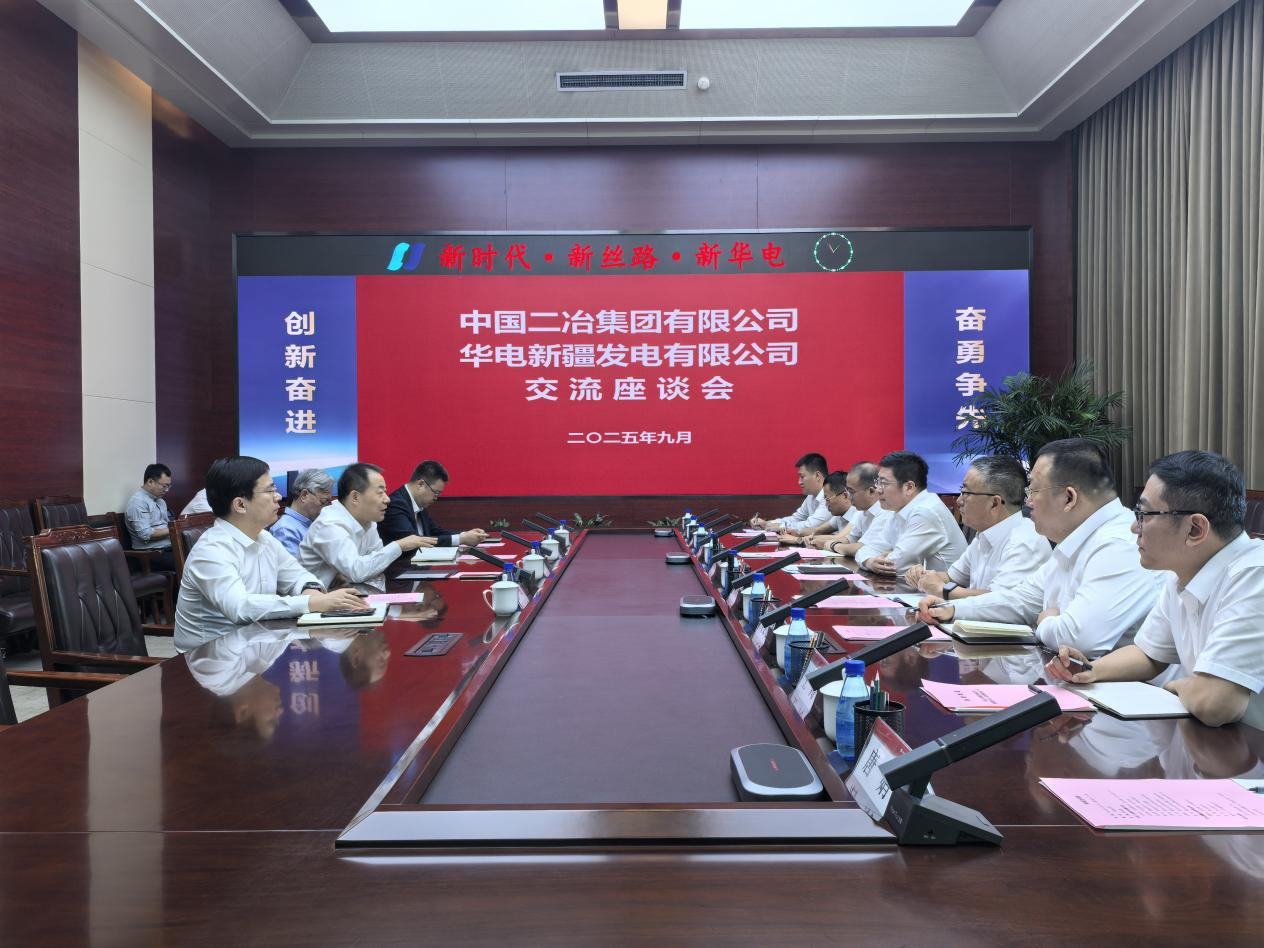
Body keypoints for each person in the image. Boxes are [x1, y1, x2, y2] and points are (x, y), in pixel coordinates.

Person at [1047, 450, 1264, 728]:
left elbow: (1215, 704)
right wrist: (1090, 670)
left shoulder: (1254, 575)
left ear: (1195, 529)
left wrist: (1176, 685)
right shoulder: (1183, 573)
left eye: (1144, 514)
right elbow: (1149, 654)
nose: (1133, 527)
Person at [924, 438, 1161, 655]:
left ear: (1069, 498)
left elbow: (1077, 639)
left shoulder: (1118, 545)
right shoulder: (1075, 540)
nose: (1027, 501)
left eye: (1034, 490)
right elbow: (1021, 600)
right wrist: (952, 609)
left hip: (1123, 687)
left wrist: (1044, 620)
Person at [174, 456, 363, 652]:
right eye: (270, 490)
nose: (278, 496)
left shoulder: (263, 537)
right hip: (210, 659)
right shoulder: (212, 550)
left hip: (257, 646)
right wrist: (313, 602)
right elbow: (240, 607)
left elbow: (297, 575)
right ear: (240, 505)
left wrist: (313, 593)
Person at [906, 455, 1050, 599]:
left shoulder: (1024, 542)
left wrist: (943, 591)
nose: (959, 501)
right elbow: (951, 577)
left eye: (966, 493)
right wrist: (923, 576)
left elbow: (1002, 601)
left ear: (994, 503)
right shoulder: (984, 534)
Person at [298, 463, 431, 591]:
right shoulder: (329, 525)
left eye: (385, 492)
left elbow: (376, 570)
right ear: (355, 497)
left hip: (345, 599)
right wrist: (399, 546)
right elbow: (358, 571)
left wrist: (365, 581)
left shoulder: (369, 522)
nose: (387, 499)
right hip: (313, 602)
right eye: (380, 492)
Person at [857, 451, 966, 576]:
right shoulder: (898, 509)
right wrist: (869, 561)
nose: (878, 490)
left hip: (945, 587)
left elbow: (895, 565)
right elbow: (867, 549)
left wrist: (884, 557)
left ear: (909, 487)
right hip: (915, 585)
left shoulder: (925, 512)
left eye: (884, 483)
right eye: (878, 482)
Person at [380, 460, 487, 548]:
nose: (436, 498)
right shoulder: (396, 504)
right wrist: (461, 539)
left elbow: (435, 532)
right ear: (421, 484)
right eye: (436, 493)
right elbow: (414, 542)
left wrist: (465, 535)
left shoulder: (419, 503)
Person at [812, 462, 891, 555]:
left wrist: (833, 546)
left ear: (871, 491)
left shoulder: (885, 512)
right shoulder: (861, 511)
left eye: (852, 492)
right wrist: (827, 543)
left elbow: (863, 548)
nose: (848, 496)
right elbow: (850, 539)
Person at [750, 453, 831, 534]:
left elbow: (811, 526)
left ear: (817, 476)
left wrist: (782, 527)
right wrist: (767, 524)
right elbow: (795, 519)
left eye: (802, 476)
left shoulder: (830, 496)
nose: (799, 482)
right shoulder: (811, 496)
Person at [269, 468, 335, 556]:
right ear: (304, 495)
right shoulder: (286, 530)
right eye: (324, 501)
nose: (326, 507)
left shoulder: (312, 523)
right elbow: (294, 565)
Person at [125, 463, 176, 571]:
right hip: (150, 553)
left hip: (168, 548)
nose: (167, 490)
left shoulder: (161, 501)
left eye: (169, 486)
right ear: (150, 482)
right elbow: (145, 534)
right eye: (164, 486)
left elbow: (166, 525)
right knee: (189, 562)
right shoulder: (137, 502)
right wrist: (174, 528)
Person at [792, 470, 854, 546]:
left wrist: (798, 540)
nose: (826, 504)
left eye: (827, 499)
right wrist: (795, 532)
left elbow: (839, 538)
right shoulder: (839, 515)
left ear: (845, 496)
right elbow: (817, 531)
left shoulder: (858, 512)